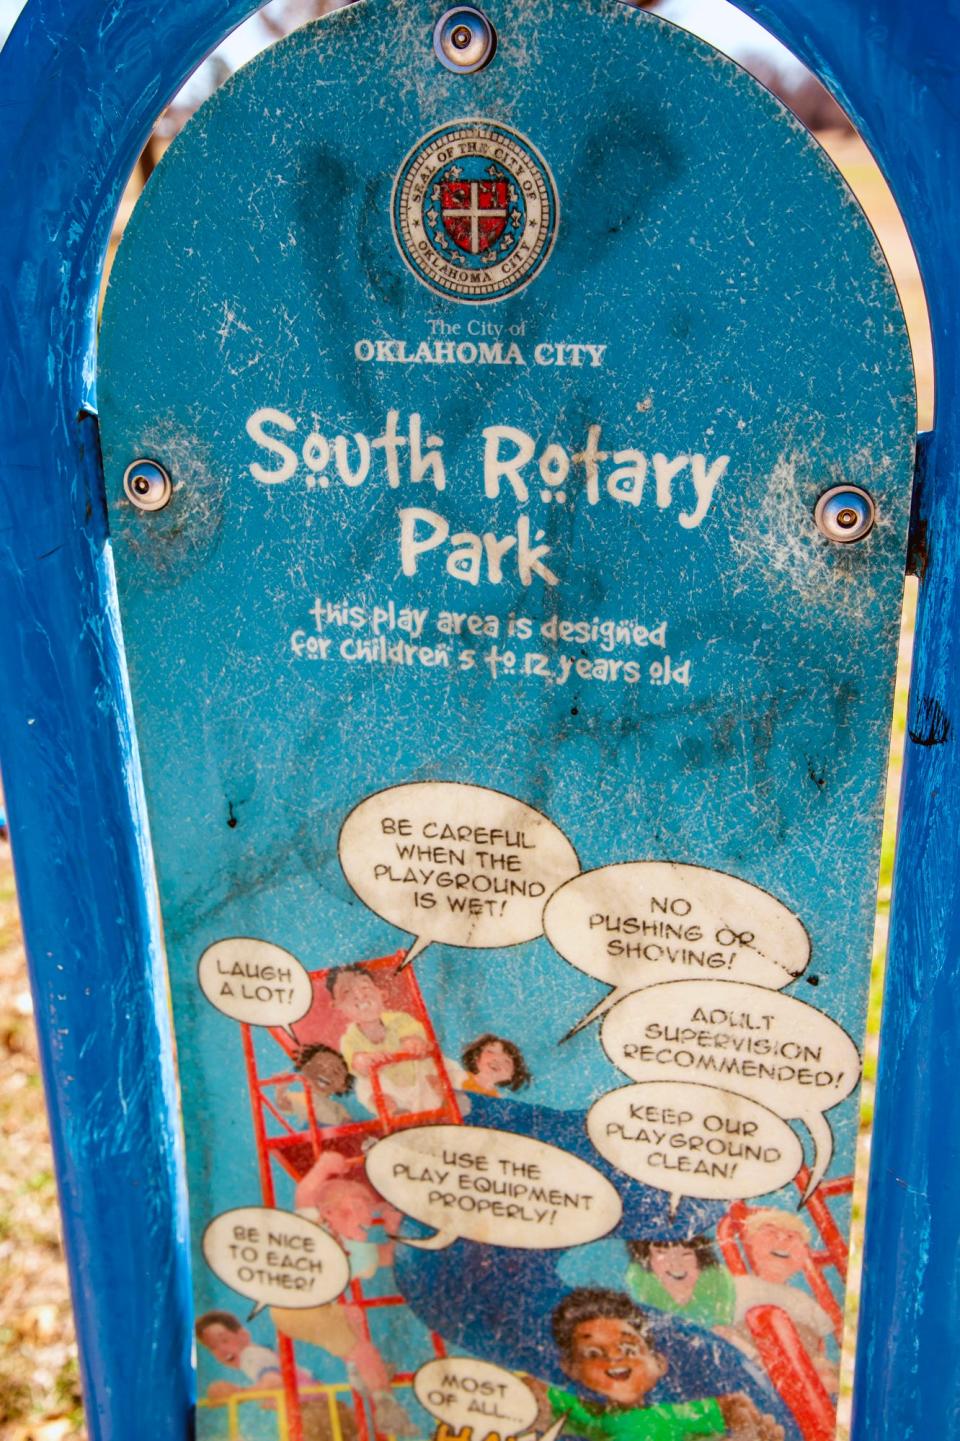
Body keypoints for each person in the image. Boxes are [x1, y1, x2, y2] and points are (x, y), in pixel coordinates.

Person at [276, 1152, 417, 1437]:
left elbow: (390, 1255)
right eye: (356, 1215)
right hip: (303, 1308)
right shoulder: (324, 1231)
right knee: (364, 1350)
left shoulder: (345, 1244)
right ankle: (383, 1400)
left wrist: (390, 1224)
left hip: (295, 1310)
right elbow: (306, 1195)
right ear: (330, 1212)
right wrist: (322, 1168)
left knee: (351, 1319)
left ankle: (359, 1373)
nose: (363, 1228)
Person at [543, 1288, 784, 1441]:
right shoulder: (586, 1413)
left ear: (658, 1363)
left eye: (628, 1349)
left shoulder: (672, 1416)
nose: (614, 1359)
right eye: (594, 1353)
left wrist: (748, 1430)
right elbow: (534, 1396)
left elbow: (732, 1404)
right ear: (570, 1367)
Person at [627, 1233, 837, 1396]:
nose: (676, 1264)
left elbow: (808, 1316)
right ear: (648, 1259)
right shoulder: (641, 1299)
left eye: (686, 1254)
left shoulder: (733, 1288)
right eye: (662, 1253)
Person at [328, 964, 449, 1117]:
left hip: (418, 1078)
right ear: (337, 1007)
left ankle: (447, 1101)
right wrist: (363, 1060)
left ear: (382, 994)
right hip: (391, 1089)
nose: (359, 995)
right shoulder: (348, 1039)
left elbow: (411, 1032)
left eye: (365, 987)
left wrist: (412, 1042)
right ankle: (395, 1113)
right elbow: (355, 1061)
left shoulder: (399, 1019)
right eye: (346, 992)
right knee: (365, 1087)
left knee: (432, 1068)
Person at [276, 1043, 354, 1127]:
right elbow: (283, 1104)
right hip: (313, 1134)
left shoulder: (338, 1108)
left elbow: (348, 1125)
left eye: (336, 1072)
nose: (327, 1074)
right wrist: (281, 1088)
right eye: (320, 1067)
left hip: (334, 1134)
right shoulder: (303, 1098)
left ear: (343, 1086)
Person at [460, 1034, 532, 1094]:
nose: (497, 1060)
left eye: (507, 1061)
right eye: (491, 1052)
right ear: (476, 1057)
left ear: (511, 1075)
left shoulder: (495, 1101)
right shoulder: (459, 1077)